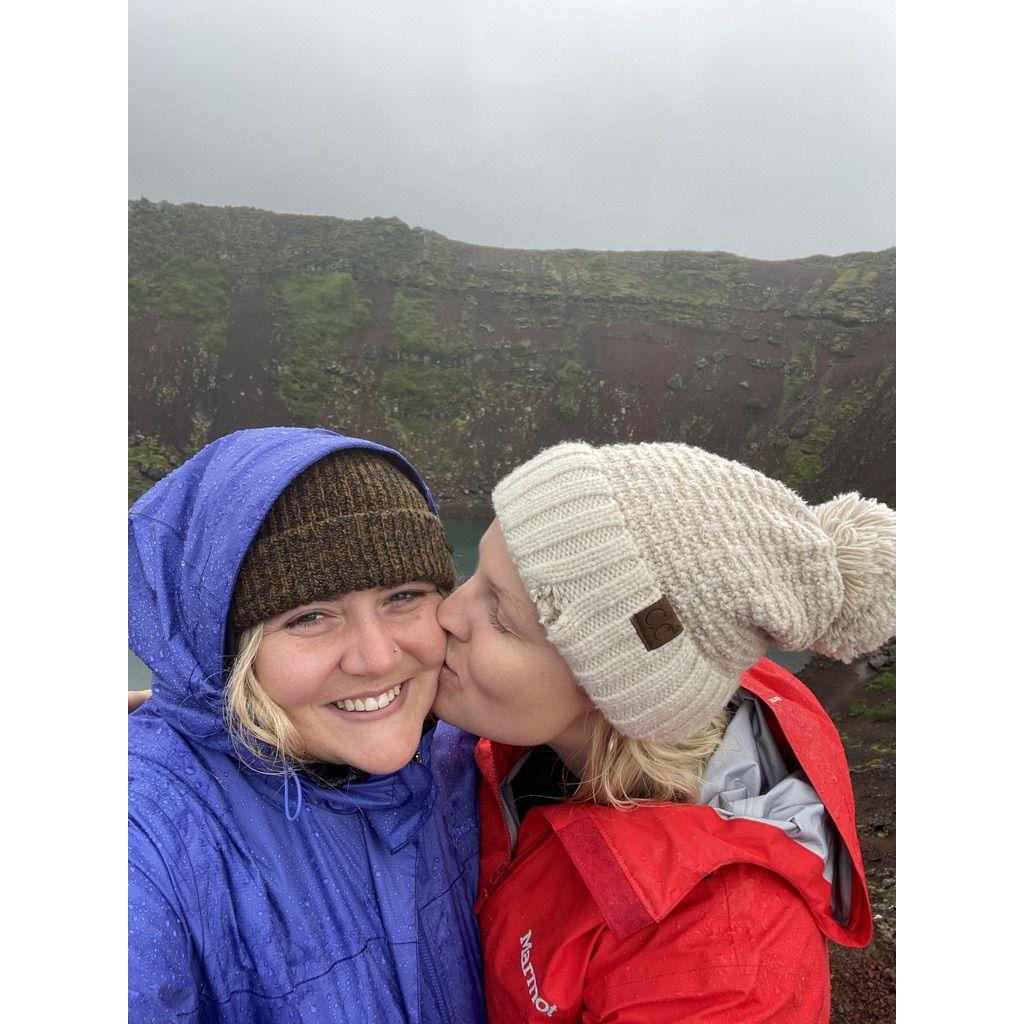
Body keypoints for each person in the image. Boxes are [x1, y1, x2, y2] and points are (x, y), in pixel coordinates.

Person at [431, 441, 895, 1022]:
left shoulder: (721, 964)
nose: (446, 613)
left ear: (611, 686)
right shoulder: (520, 737)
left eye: (500, 616)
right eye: (474, 576)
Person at [128, 427, 485, 1023]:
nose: (375, 658)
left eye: (402, 596)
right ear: (223, 649)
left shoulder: (465, 756)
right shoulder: (148, 836)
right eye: (311, 617)